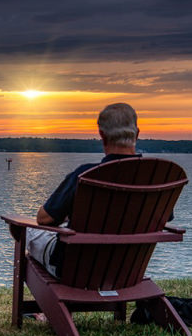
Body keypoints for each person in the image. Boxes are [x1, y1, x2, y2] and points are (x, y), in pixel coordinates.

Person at [27, 103, 150, 278]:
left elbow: (44, 219)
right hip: (127, 271)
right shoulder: (154, 177)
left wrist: (74, 213)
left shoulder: (85, 175)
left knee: (26, 231)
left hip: (74, 270)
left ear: (102, 135)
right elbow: (162, 220)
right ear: (137, 134)